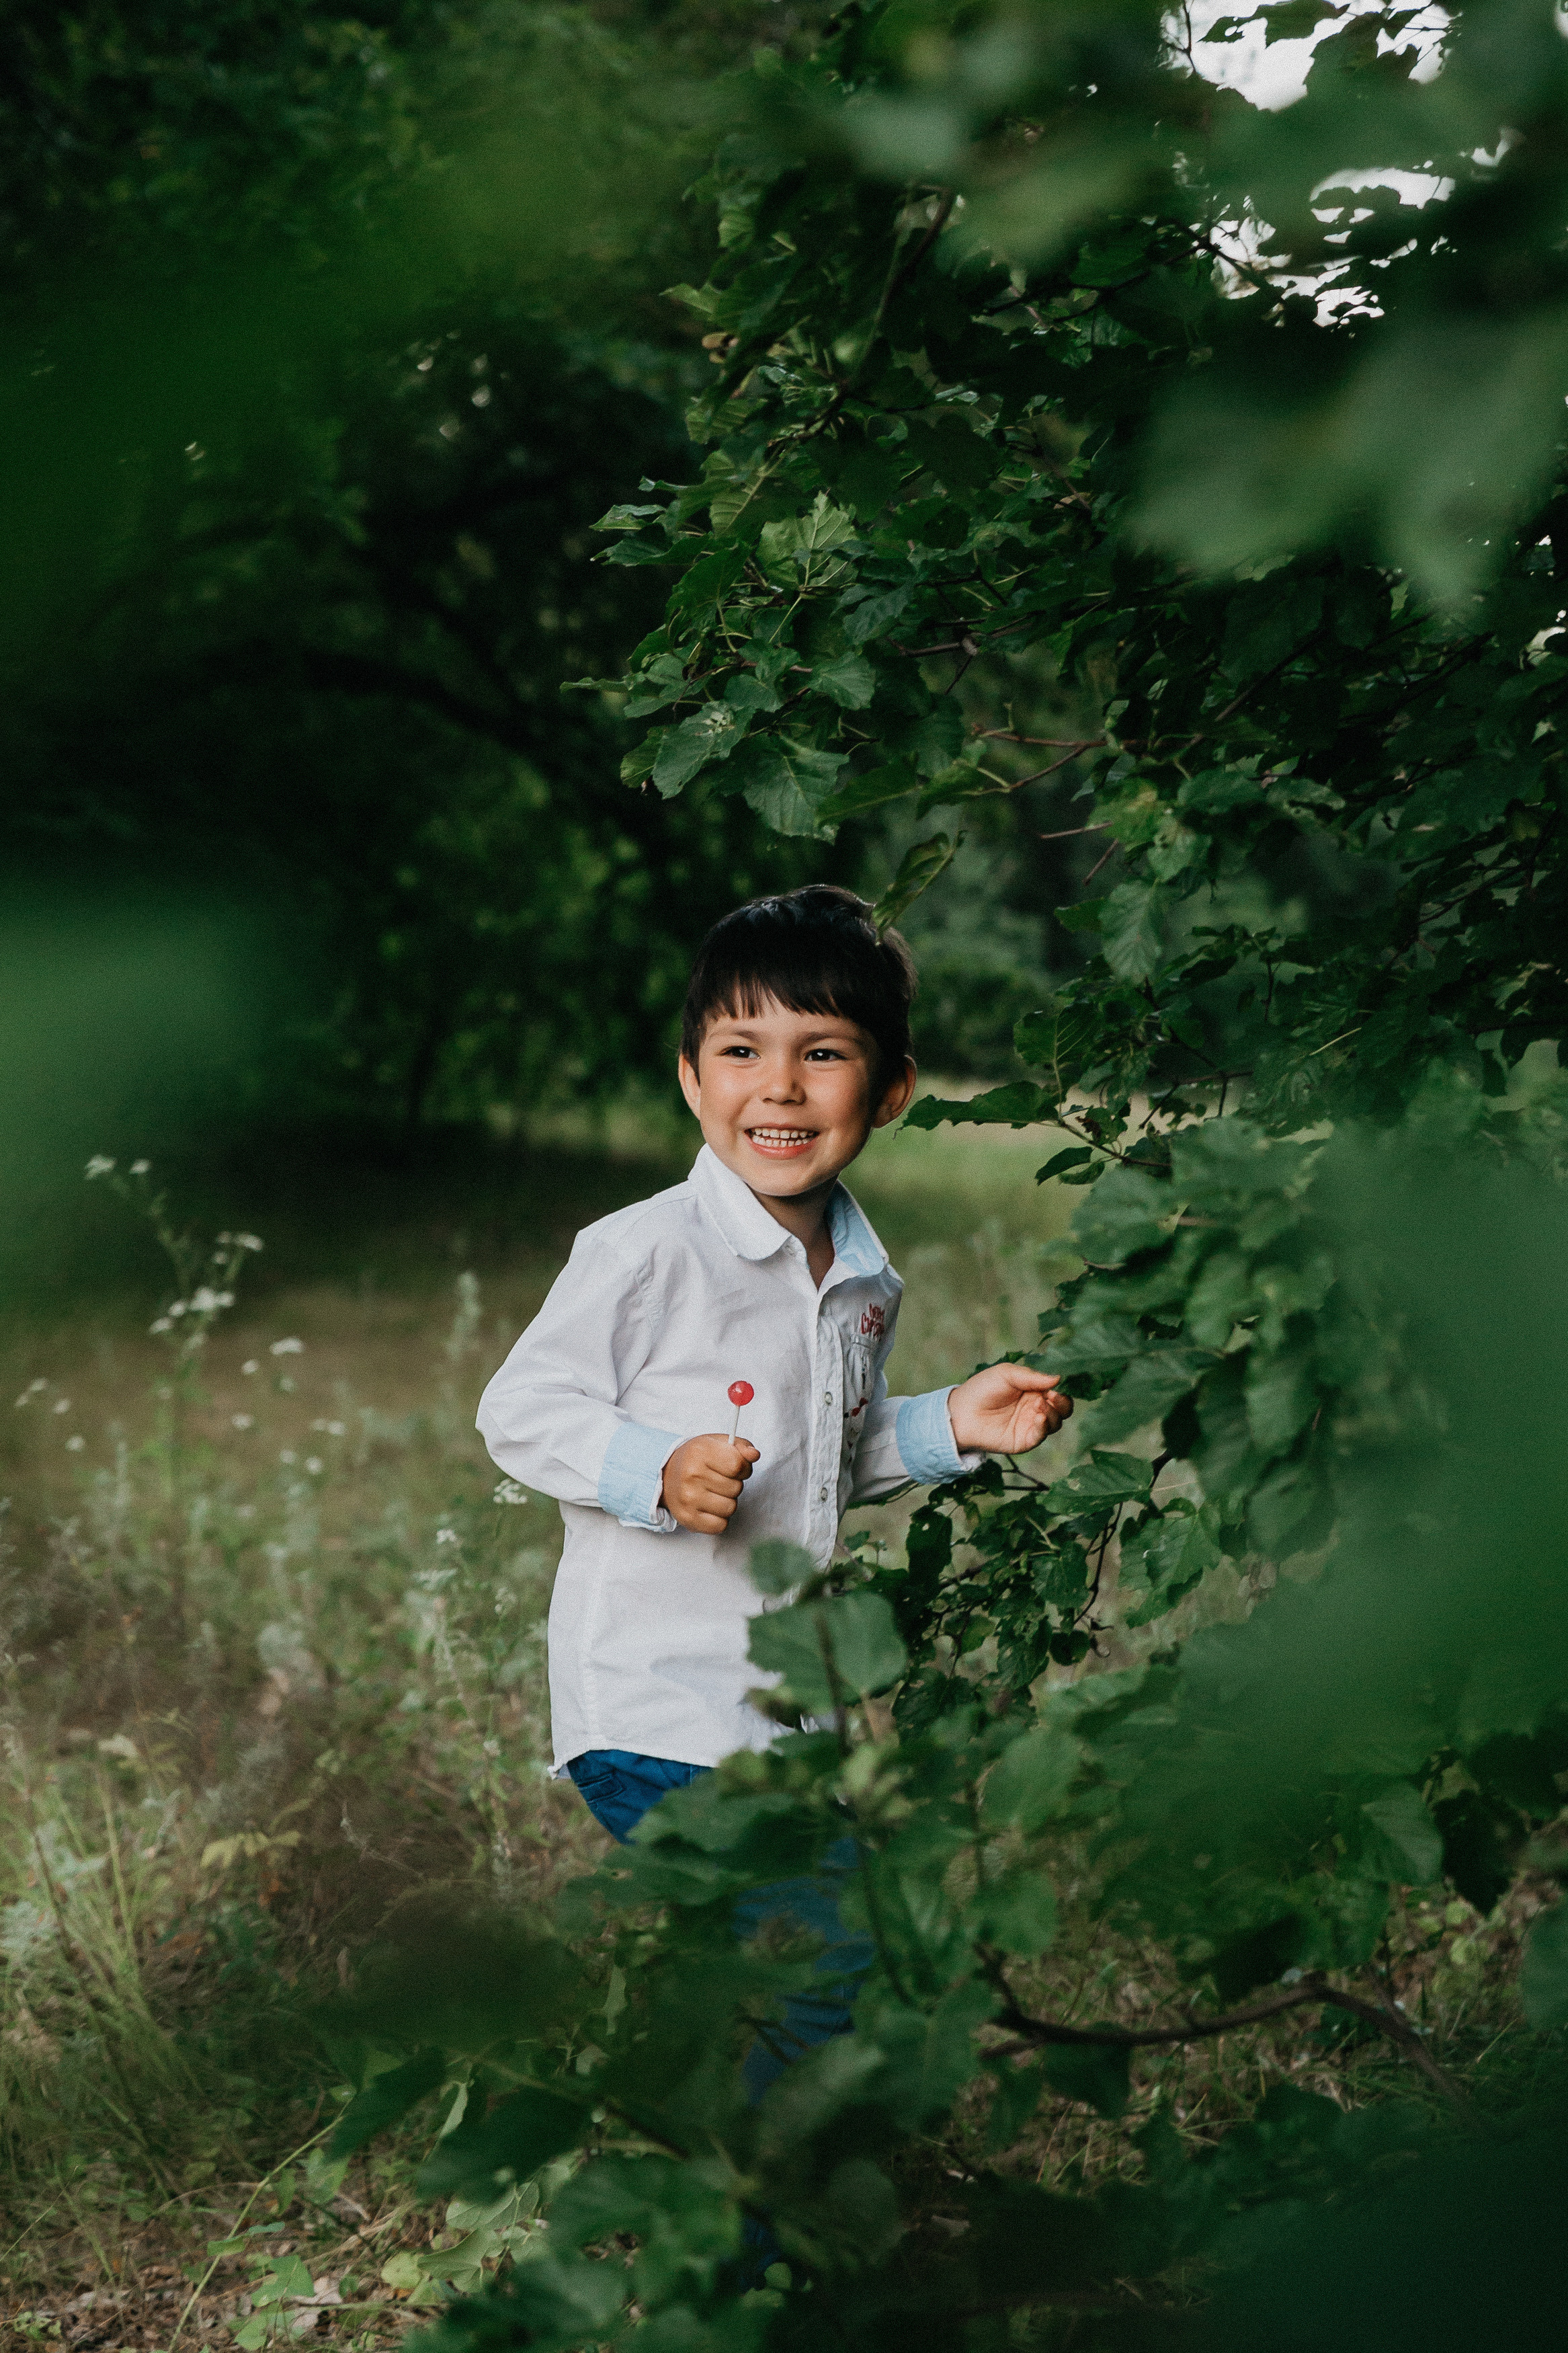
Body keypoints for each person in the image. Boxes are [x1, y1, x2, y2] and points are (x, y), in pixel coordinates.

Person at [477, 885, 1072, 2095]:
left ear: (890, 1090)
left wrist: (947, 1423)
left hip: (782, 1713)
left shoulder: (862, 1281)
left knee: (796, 1957)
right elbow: (519, 1408)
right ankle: (769, 2197)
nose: (781, 1088)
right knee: (831, 1954)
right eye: (742, 1051)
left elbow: (820, 1462)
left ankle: (723, 2142)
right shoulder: (645, 1249)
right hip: (654, 1702)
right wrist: (655, 1468)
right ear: (691, 1079)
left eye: (824, 1054)